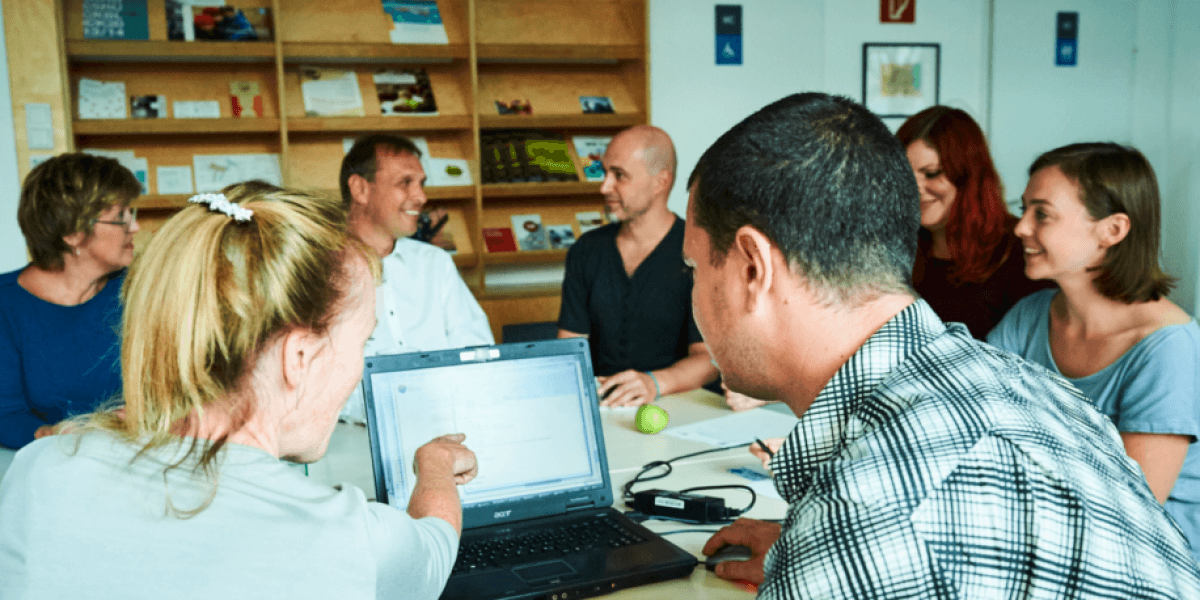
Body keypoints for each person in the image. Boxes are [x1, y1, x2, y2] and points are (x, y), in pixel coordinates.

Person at [684, 93, 1200, 597]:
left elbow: (887, 533)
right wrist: (797, 543)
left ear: (753, 269)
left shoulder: (866, 518)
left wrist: (825, 547)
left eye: (695, 268)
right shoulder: (1022, 379)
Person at [0, 183, 479, 598]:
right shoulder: (345, 536)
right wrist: (434, 467)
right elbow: (433, 549)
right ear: (298, 358)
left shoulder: (38, 472)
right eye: (362, 341)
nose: (360, 363)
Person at [988, 142, 1200, 563]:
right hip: (1051, 526)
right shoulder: (1028, 316)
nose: (1020, 228)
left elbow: (1132, 509)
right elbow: (975, 415)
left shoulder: (1167, 347)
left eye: (1042, 214)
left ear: (1112, 230)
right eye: (1024, 208)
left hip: (1151, 557)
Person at [338, 134, 494, 422]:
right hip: (354, 438)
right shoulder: (316, 270)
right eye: (404, 183)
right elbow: (311, 384)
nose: (421, 197)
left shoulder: (435, 264)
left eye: (421, 183)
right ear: (360, 189)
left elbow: (478, 352)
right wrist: (392, 405)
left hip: (449, 424)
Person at [558, 125, 717, 406]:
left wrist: (654, 383)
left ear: (660, 182)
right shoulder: (585, 250)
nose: (604, 186)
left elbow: (709, 358)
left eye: (619, 175)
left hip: (676, 405)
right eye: (605, 173)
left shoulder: (699, 252)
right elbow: (568, 351)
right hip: (602, 406)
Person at [0, 153, 141, 449]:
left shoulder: (141, 288)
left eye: (132, 213)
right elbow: (6, 418)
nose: (134, 227)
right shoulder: (6, 305)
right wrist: (65, 433)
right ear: (73, 234)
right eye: (120, 218)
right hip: (47, 463)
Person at [896, 106, 1051, 339]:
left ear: (969, 176)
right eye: (903, 175)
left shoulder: (1019, 251)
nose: (913, 189)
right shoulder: (896, 246)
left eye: (932, 173)